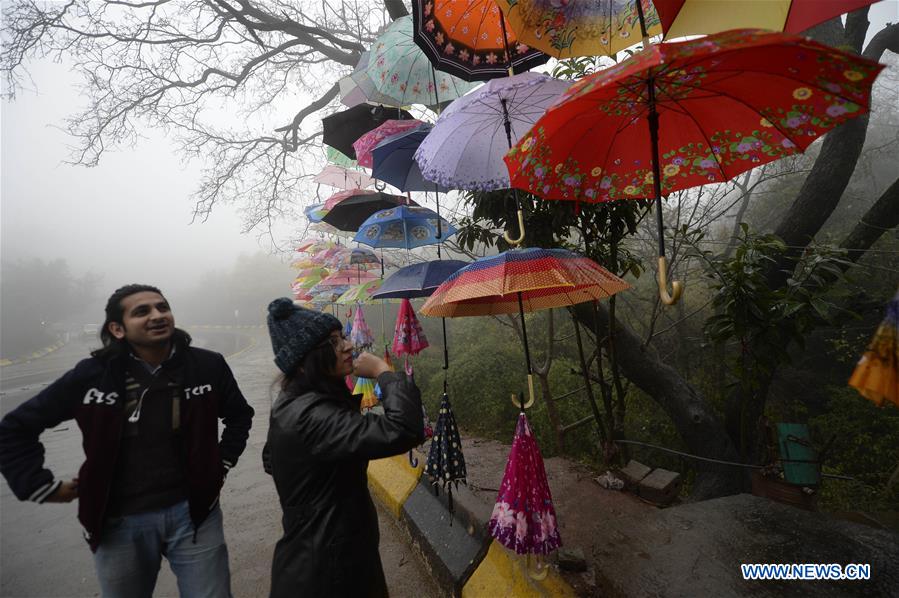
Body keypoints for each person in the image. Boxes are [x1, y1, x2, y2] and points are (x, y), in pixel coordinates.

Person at [0, 284, 254, 598]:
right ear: (117, 329)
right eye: (142, 311)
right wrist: (40, 485)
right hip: (117, 522)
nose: (157, 315)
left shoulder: (206, 365)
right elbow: (14, 428)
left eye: (162, 307)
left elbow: (239, 416)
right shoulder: (93, 375)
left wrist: (221, 463)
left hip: (196, 515)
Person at [262, 297, 424, 598]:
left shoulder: (294, 403)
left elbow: (272, 459)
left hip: (326, 558)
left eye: (343, 337)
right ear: (305, 360)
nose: (349, 346)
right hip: (328, 574)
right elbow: (403, 429)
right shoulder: (312, 417)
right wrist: (384, 373)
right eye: (334, 342)